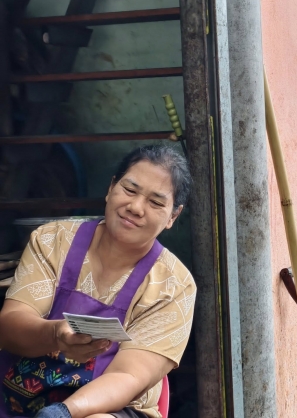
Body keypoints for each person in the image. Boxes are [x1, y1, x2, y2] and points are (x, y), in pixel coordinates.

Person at [0, 145, 196, 418]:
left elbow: (128, 376)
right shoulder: (53, 240)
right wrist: (55, 335)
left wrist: (63, 412)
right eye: (129, 190)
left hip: (111, 408)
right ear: (111, 187)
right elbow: (10, 326)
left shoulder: (174, 285)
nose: (135, 207)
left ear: (173, 216)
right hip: (15, 396)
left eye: (155, 202)